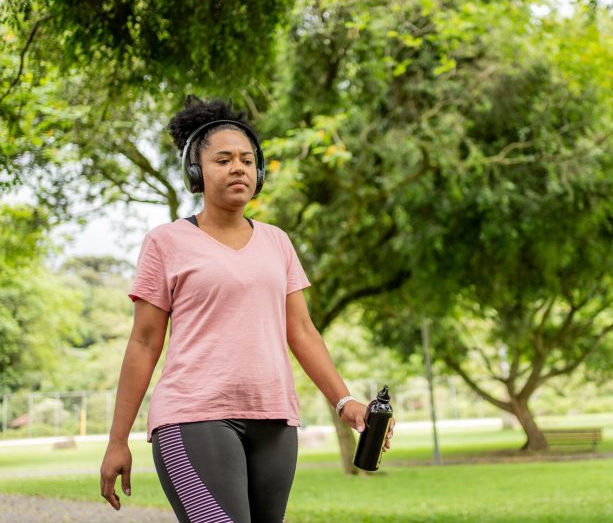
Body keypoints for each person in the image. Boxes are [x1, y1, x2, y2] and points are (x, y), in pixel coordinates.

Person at [99, 96, 393, 522]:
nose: (239, 168)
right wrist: (117, 439)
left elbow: (303, 331)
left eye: (247, 160)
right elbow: (144, 342)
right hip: (193, 417)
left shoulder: (277, 241)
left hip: (274, 419)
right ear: (197, 173)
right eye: (223, 160)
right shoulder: (166, 242)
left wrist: (344, 398)